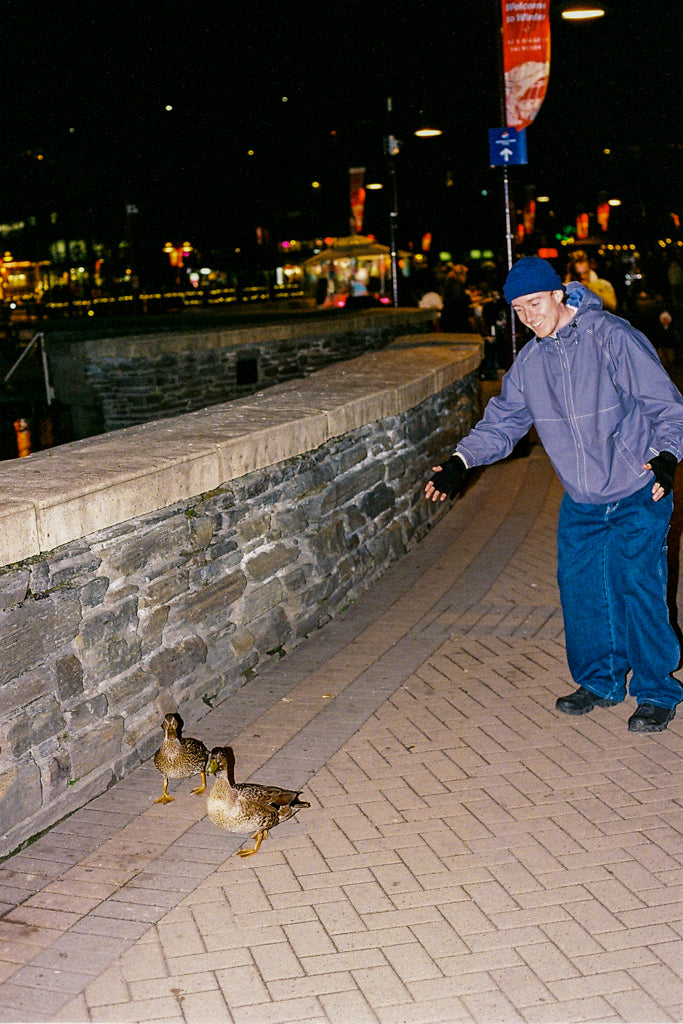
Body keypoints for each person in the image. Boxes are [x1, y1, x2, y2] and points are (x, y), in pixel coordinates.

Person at [425, 256, 683, 733]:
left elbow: (665, 403)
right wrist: (461, 461)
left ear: (559, 294)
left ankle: (655, 692)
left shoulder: (612, 337)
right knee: (582, 591)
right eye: (518, 309)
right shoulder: (530, 364)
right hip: (583, 499)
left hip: (638, 486)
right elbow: (502, 423)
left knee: (638, 585)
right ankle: (601, 681)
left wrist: (667, 454)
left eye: (535, 303)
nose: (528, 316)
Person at [440, 263, 473, 332]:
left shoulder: (450, 282)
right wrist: (468, 298)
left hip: (450, 317)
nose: (465, 278)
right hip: (455, 318)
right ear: (458, 275)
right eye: (464, 275)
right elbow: (459, 299)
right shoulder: (455, 284)